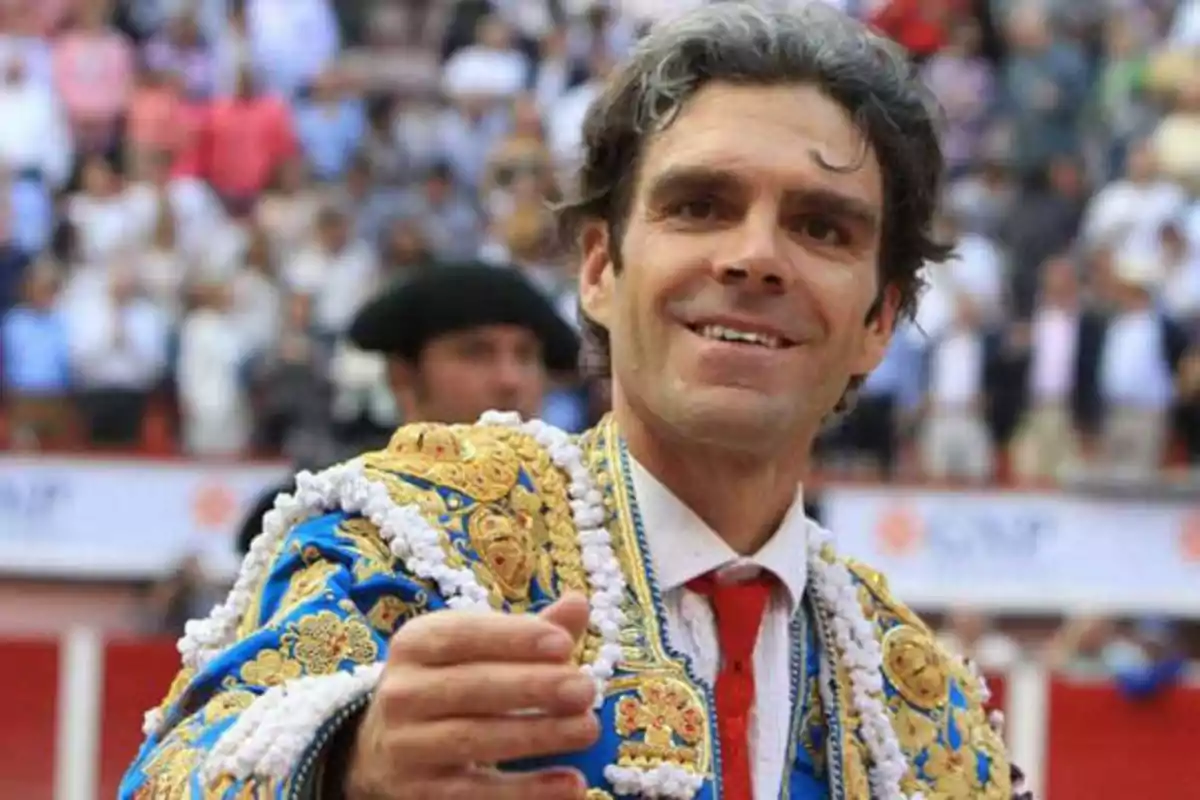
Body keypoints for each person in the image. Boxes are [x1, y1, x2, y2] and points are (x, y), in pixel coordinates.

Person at [122, 5, 1023, 800]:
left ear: (879, 318)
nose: (756, 258)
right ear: (599, 269)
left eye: (821, 227)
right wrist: (347, 769)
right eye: (700, 206)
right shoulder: (404, 540)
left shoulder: (922, 712)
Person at [233, 261, 579, 555]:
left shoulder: (578, 508)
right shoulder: (333, 509)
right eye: (476, 353)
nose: (510, 380)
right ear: (403, 376)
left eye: (526, 355)